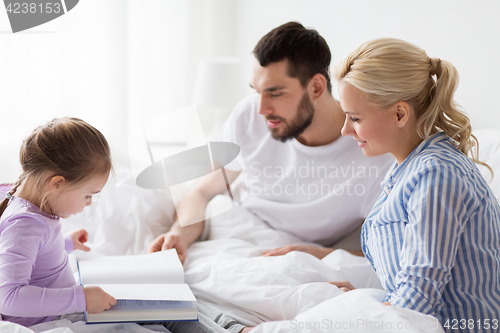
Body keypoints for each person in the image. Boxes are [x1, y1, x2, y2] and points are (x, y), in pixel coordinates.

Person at [148, 21, 393, 262]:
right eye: (257, 91)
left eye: (275, 93)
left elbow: (391, 253)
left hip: (295, 255)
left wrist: (321, 256)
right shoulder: (247, 116)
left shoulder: (373, 153)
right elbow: (202, 192)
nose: (262, 109)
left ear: (317, 87)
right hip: (237, 229)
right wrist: (179, 233)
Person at [332, 37, 500, 332]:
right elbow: (414, 283)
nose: (345, 130)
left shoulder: (436, 174)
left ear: (400, 113)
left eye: (354, 118)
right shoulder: (409, 171)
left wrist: (364, 313)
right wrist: (365, 299)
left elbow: (418, 297)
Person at [0, 118, 117, 327]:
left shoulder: (32, 208)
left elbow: (31, 253)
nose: (88, 203)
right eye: (88, 195)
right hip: (45, 321)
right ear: (57, 184)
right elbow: (8, 298)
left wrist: (65, 243)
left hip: (56, 312)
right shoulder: (25, 225)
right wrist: (82, 299)